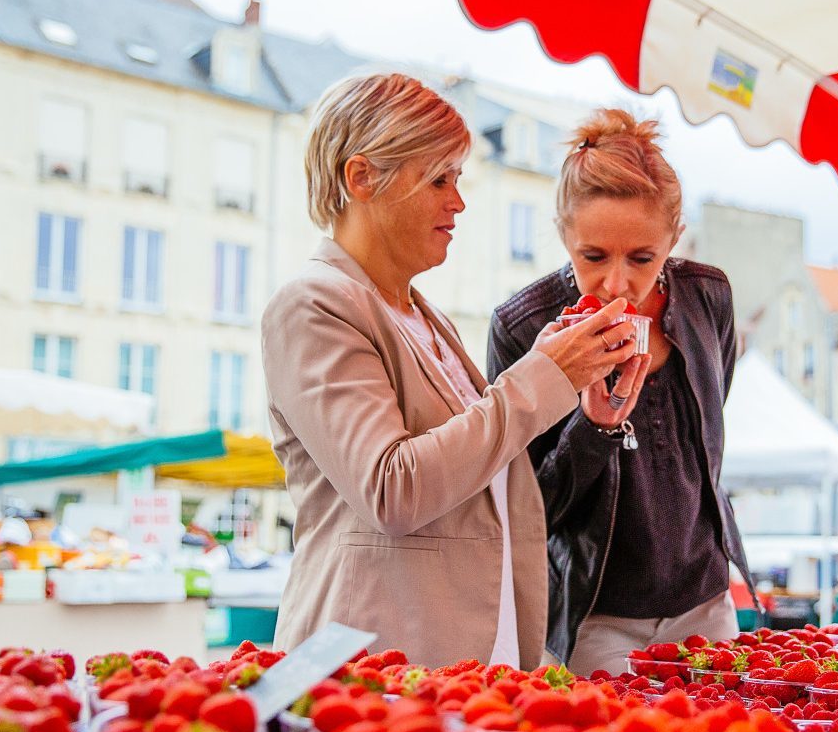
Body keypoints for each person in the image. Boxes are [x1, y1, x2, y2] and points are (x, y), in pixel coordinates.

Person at [262, 74, 638, 668]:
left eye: (457, 179)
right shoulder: (314, 305)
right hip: (378, 672)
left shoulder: (425, 317)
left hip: (463, 665)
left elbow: (474, 469)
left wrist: (557, 376)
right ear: (362, 178)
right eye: (440, 178)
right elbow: (394, 488)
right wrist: (541, 377)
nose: (457, 202)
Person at [487, 109, 756, 675]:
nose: (616, 284)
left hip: (706, 600)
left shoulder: (709, 298)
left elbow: (709, 435)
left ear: (674, 239)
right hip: (595, 615)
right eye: (593, 257)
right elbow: (529, 509)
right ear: (564, 236)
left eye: (642, 258)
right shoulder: (522, 326)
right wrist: (595, 428)